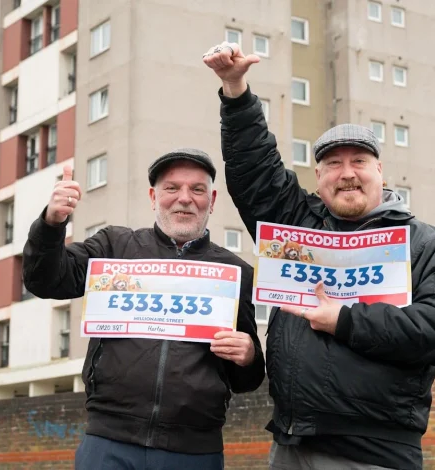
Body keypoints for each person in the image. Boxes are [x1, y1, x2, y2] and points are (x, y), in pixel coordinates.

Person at [203, 43, 435, 470]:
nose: (346, 172)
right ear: (319, 178)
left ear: (380, 173)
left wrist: (345, 321)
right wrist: (236, 89)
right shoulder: (297, 226)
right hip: (291, 445)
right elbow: (256, 173)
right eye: (332, 163)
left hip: (376, 453)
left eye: (359, 161)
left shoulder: (418, 241)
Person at [22, 149, 265, 470]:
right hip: (109, 442)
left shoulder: (236, 272)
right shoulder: (114, 247)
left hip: (195, 451)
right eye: (171, 188)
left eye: (197, 189)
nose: (184, 198)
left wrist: (248, 355)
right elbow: (46, 281)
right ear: (153, 196)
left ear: (212, 199)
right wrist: (51, 224)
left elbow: (246, 379)